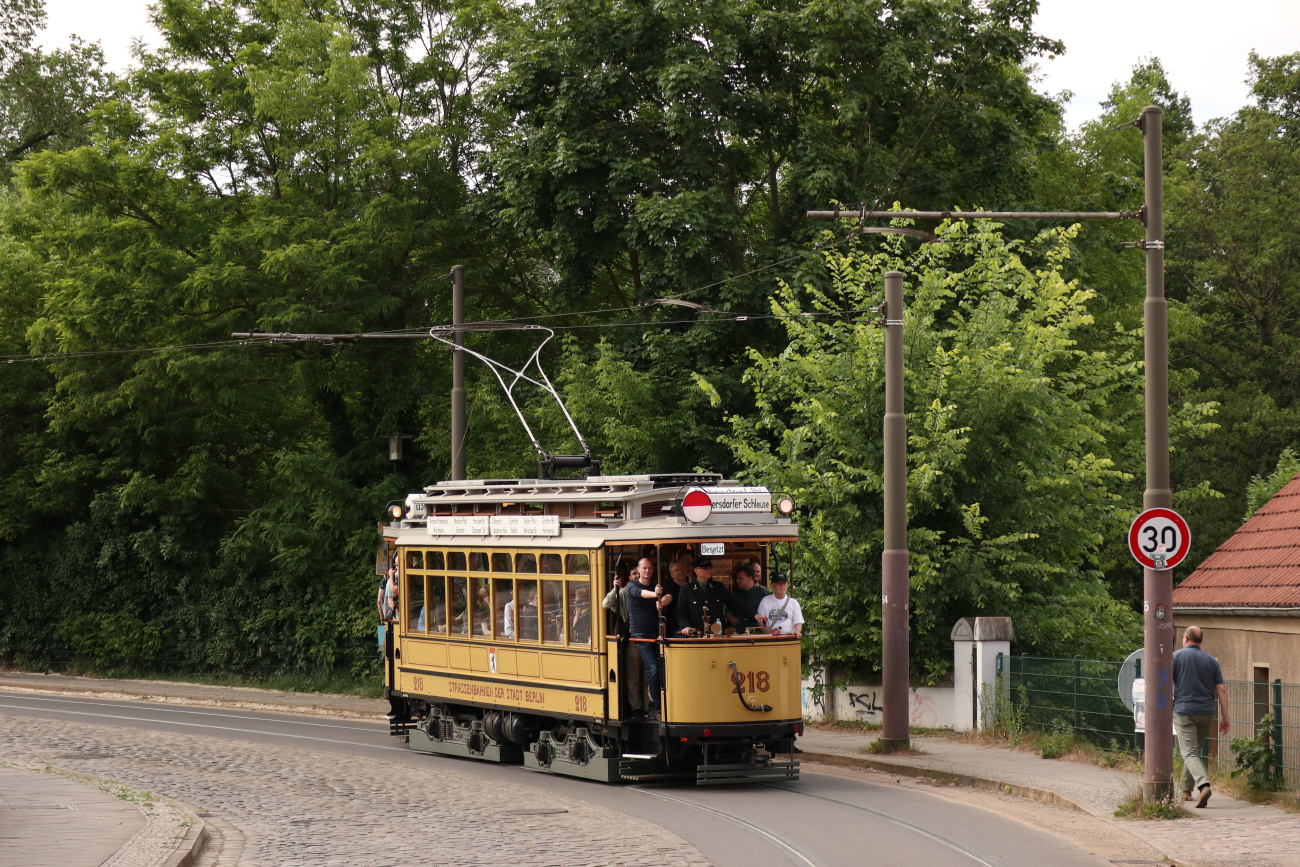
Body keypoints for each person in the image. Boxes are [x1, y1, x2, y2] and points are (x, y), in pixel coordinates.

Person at [1172, 625, 1230, 807]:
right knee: (1193, 751)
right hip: (1206, 712)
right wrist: (1225, 718)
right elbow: (1221, 689)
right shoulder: (1211, 661)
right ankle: (1185, 790)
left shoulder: (1175, 657)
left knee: (1188, 752)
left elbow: (1164, 683)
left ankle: (1203, 785)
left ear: (1185, 639)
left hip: (1184, 712)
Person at [625, 557, 665, 718]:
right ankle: (655, 706)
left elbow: (667, 595)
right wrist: (656, 595)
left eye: (650, 568)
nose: (647, 571)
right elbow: (641, 593)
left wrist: (662, 601)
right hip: (640, 636)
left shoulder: (657, 585)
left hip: (657, 634)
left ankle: (657, 705)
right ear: (639, 570)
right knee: (652, 669)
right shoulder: (631, 586)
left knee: (660, 669)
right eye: (644, 568)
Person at [676, 556, 740, 636]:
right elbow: (681, 612)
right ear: (695, 570)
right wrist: (686, 626)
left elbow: (735, 603)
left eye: (710, 567)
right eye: (705, 568)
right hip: (696, 635)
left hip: (717, 633)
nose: (709, 570)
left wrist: (754, 615)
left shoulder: (718, 587)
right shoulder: (686, 590)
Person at [732, 564, 771, 631]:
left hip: (757, 632)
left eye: (740, 578)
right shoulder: (736, 594)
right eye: (737, 578)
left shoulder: (764, 594)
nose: (737, 581)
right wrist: (732, 619)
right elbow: (728, 610)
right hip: (739, 631)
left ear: (749, 578)